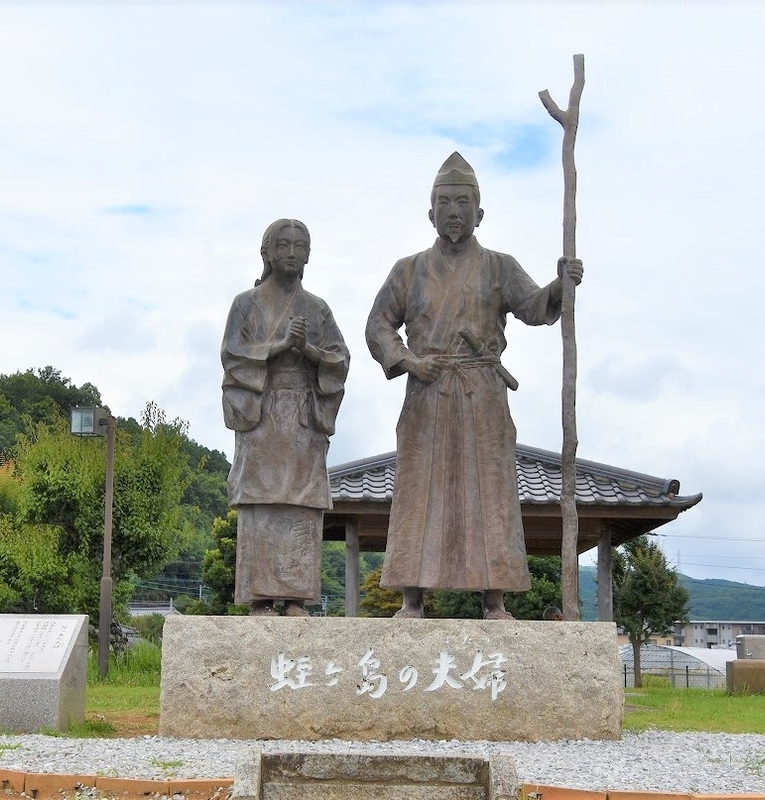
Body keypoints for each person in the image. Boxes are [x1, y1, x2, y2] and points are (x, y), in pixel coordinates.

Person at [366, 152, 582, 620]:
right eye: (444, 203)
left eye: (463, 202)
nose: (454, 212)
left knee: (492, 491)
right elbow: (378, 326)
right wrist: (407, 360)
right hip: (428, 393)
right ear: (430, 213)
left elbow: (534, 306)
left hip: (483, 393)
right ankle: (412, 596)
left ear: (479, 212)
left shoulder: (499, 266)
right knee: (418, 490)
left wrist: (561, 285)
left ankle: (495, 598)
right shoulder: (408, 269)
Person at [222, 218, 349, 616]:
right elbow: (232, 356)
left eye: (299, 246)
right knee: (262, 498)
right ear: (267, 253)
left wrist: (309, 351)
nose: (292, 253)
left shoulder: (318, 308)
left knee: (301, 501)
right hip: (262, 416)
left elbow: (340, 359)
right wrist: (276, 347)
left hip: (302, 419)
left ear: (309, 254)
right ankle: (261, 597)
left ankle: (296, 596)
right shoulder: (246, 303)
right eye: (284, 246)